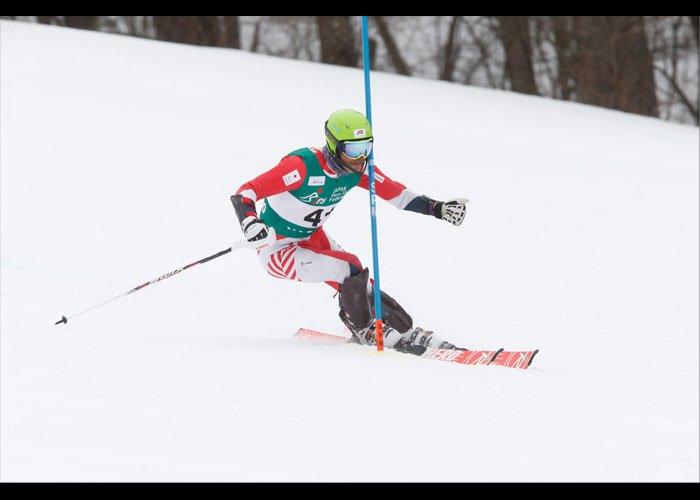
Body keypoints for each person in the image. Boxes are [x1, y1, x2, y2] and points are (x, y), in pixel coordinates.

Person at [231, 109, 468, 355]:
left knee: (361, 282)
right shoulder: (301, 167)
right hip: (277, 249)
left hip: (312, 238)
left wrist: (435, 208)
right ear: (333, 146)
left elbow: (396, 194)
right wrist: (250, 223)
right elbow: (245, 192)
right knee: (348, 267)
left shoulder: (357, 171)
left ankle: (406, 330)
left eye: (366, 148)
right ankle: (365, 329)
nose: (360, 158)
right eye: (353, 150)